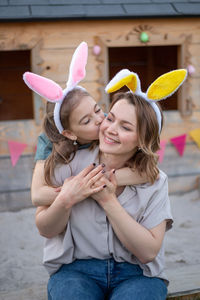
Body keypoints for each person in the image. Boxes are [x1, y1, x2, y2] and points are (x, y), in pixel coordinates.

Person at [35, 68, 187, 299]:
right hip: (76, 270)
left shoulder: (155, 180)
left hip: (137, 273)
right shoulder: (68, 164)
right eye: (111, 118)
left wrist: (108, 200)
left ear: (143, 139)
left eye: (126, 127)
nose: (110, 129)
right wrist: (66, 198)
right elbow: (45, 228)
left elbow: (147, 252)